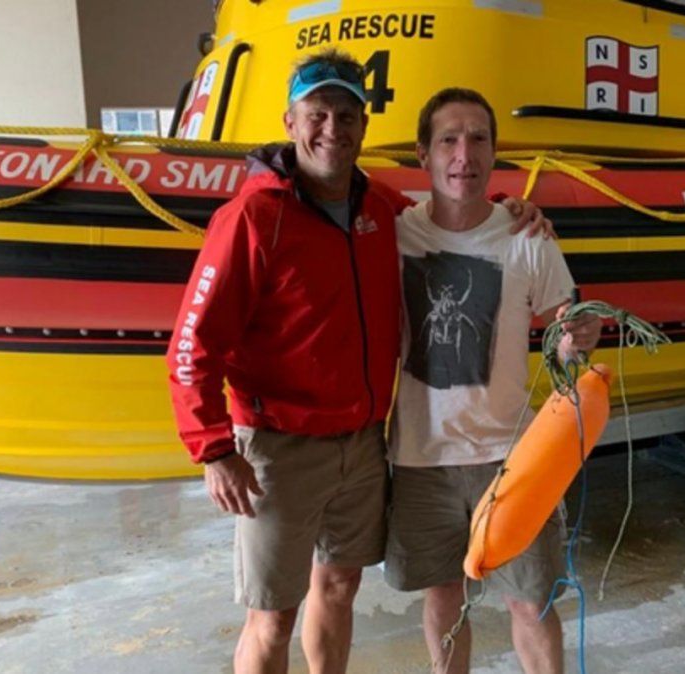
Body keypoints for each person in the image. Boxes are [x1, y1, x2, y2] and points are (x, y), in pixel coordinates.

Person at [166, 50, 551, 674]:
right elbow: (191, 345)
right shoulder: (252, 219)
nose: (332, 129)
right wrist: (213, 447)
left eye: (347, 115)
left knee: (339, 586)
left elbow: (453, 222)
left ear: (364, 126)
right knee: (271, 616)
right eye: (318, 114)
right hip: (279, 448)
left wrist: (508, 210)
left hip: (365, 443)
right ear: (291, 121)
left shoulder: (382, 210)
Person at [384, 88, 602, 674]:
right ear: (423, 154)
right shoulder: (394, 234)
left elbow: (570, 325)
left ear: (494, 151)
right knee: (442, 596)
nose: (464, 153)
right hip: (419, 458)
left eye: (478, 138)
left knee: (530, 601)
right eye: (449, 139)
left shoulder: (528, 236)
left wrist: (579, 336)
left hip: (512, 459)